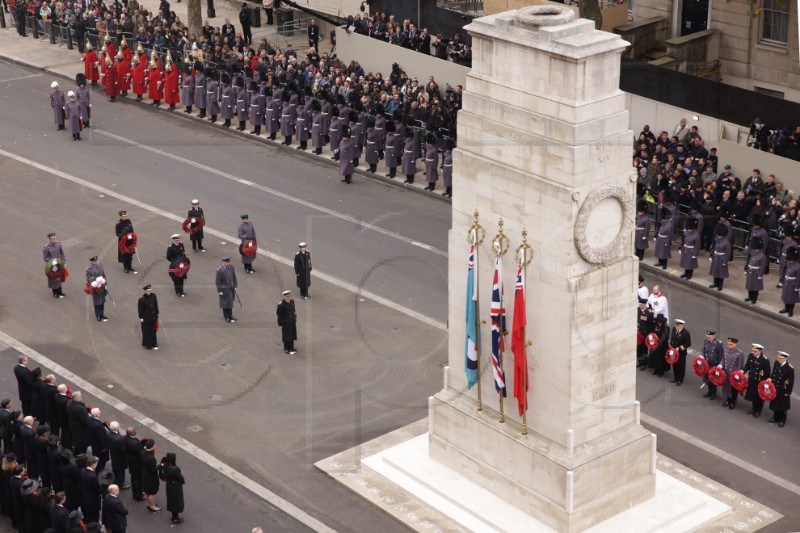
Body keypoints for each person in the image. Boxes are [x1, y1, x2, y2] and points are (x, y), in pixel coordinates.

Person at [743, 344, 770, 418]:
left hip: (759, 381)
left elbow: (767, 373)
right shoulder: (751, 355)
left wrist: (765, 384)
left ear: (760, 351)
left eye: (756, 351)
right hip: (752, 379)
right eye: (753, 351)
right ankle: (753, 408)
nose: (754, 352)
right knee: (752, 394)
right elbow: (747, 365)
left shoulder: (765, 360)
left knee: (759, 397)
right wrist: (743, 371)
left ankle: (758, 410)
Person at [767, 351, 794, 428]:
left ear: (785, 358)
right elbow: (774, 373)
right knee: (775, 403)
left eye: (781, 358)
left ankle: (782, 420)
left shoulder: (789, 368)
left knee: (782, 406)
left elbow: (791, 381)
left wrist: (788, 392)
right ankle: (775, 417)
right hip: (775, 387)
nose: (779, 359)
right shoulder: (776, 363)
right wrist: (771, 379)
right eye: (778, 358)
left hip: (783, 389)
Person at [159, 452, 185, 524]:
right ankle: (175, 518)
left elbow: (161, 473)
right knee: (176, 502)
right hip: (175, 487)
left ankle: (173, 516)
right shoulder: (175, 469)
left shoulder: (165, 466)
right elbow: (180, 478)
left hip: (169, 485)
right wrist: (183, 481)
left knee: (171, 501)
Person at [719, 337, 744, 409]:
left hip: (733, 375)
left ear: (735, 344)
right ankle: (728, 400)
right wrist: (721, 364)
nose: (729, 345)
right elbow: (723, 359)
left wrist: (736, 375)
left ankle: (733, 402)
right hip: (726, 373)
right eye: (729, 343)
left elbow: (740, 366)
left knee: (733, 389)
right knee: (726, 387)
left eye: (731, 344)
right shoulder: (726, 350)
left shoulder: (739, 353)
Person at [701, 330, 724, 401]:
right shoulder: (706, 341)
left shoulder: (718, 343)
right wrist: (702, 356)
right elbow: (703, 350)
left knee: (713, 379)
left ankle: (714, 393)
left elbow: (721, 355)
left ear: (713, 336)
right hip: (706, 363)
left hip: (714, 364)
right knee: (707, 377)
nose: (708, 338)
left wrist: (720, 364)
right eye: (707, 337)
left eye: (709, 337)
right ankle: (709, 391)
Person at [43, 232, 67, 298]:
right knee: (54, 279)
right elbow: (45, 257)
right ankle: (55, 293)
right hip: (52, 266)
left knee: (59, 278)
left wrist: (64, 262)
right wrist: (51, 262)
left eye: (54, 238)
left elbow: (62, 253)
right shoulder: (46, 247)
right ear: (49, 239)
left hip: (59, 264)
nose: (54, 240)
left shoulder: (58, 244)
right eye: (52, 239)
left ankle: (60, 292)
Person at [744, 236, 767, 304]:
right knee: (750, 285)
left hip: (756, 273)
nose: (755, 250)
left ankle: (754, 298)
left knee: (755, 287)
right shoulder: (751, 253)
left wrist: (760, 275)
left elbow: (762, 267)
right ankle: (750, 296)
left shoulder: (762, 256)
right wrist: (746, 269)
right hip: (750, 271)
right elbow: (748, 262)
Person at [124, 427, 144, 502]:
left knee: (133, 478)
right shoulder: (136, 443)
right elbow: (140, 453)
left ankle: (134, 493)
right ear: (132, 433)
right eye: (134, 431)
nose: (136, 431)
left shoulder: (125, 438)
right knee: (139, 480)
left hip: (131, 462)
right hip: (137, 464)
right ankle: (138, 496)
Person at [86, 256, 109, 322]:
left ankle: (102, 314)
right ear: (91, 261)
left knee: (102, 301)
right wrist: (95, 279)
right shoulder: (89, 269)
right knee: (97, 302)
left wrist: (106, 284)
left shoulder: (100, 266)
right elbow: (88, 278)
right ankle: (98, 315)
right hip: (95, 288)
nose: (95, 262)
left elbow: (104, 276)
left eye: (95, 261)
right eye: (93, 261)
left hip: (101, 287)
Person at [106, 421, 128, 489]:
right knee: (121, 470)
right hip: (120, 457)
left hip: (113, 454)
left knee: (115, 468)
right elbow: (123, 449)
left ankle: (115, 479)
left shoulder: (108, 433)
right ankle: (120, 484)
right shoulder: (118, 439)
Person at [668, 319, 690, 386]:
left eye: (678, 325)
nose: (676, 326)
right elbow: (672, 338)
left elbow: (688, 344)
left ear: (681, 325)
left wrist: (679, 348)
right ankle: (676, 377)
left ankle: (680, 379)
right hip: (674, 351)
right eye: (676, 325)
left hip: (681, 353)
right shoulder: (674, 329)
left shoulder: (686, 333)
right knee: (675, 365)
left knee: (681, 366)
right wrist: (671, 345)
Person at [216, 257, 238, 323]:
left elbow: (234, 277)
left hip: (230, 288)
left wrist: (235, 285)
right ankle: (226, 317)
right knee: (225, 303)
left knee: (230, 302)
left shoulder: (231, 267)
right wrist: (219, 291)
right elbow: (218, 281)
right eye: (227, 262)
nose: (228, 263)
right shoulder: (220, 270)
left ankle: (230, 315)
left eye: (229, 262)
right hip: (224, 289)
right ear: (224, 262)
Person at [779, 247, 800, 317]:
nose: (790, 261)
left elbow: (798, 278)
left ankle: (790, 311)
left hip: (792, 284)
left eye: (792, 259)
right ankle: (786, 308)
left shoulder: (798, 267)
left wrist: (797, 287)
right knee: (786, 297)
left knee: (791, 298)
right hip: (786, 283)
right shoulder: (787, 264)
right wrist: (782, 280)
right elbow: (784, 273)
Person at [708, 224, 730, 291]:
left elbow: (728, 253)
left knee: (721, 273)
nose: (718, 236)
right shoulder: (716, 240)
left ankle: (720, 285)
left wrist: (725, 261)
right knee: (715, 271)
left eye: (719, 235)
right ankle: (715, 283)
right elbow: (713, 248)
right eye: (718, 235)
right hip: (715, 257)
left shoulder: (726, 243)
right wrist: (711, 256)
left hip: (721, 259)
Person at [141, 439, 161, 512]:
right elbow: (153, 469)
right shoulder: (152, 458)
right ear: (152, 447)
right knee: (151, 493)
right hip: (151, 477)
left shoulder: (142, 452)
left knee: (146, 491)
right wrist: (160, 465)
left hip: (144, 474)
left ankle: (149, 504)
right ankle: (153, 506)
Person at [81, 455, 102, 523]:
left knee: (88, 517)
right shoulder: (93, 476)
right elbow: (98, 489)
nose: (97, 465)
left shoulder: (83, 471)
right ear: (93, 464)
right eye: (96, 463)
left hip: (86, 497)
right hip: (93, 500)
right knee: (95, 517)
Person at [138, 285, 159, 350]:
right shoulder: (142, 300)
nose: (149, 292)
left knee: (153, 330)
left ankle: (154, 343)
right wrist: (141, 318)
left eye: (150, 290)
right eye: (148, 291)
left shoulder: (154, 296)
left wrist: (157, 313)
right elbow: (140, 309)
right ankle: (148, 344)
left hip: (153, 317)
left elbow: (155, 305)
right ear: (145, 291)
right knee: (146, 331)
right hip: (146, 318)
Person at [277, 290, 297, 355]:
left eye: (289, 296)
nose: (289, 298)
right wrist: (280, 324)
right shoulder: (281, 305)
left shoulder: (292, 301)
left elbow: (293, 310)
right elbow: (279, 315)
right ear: (284, 297)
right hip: (285, 323)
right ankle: (286, 348)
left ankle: (291, 347)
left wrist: (294, 319)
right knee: (286, 336)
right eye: (287, 296)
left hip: (291, 321)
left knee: (292, 335)